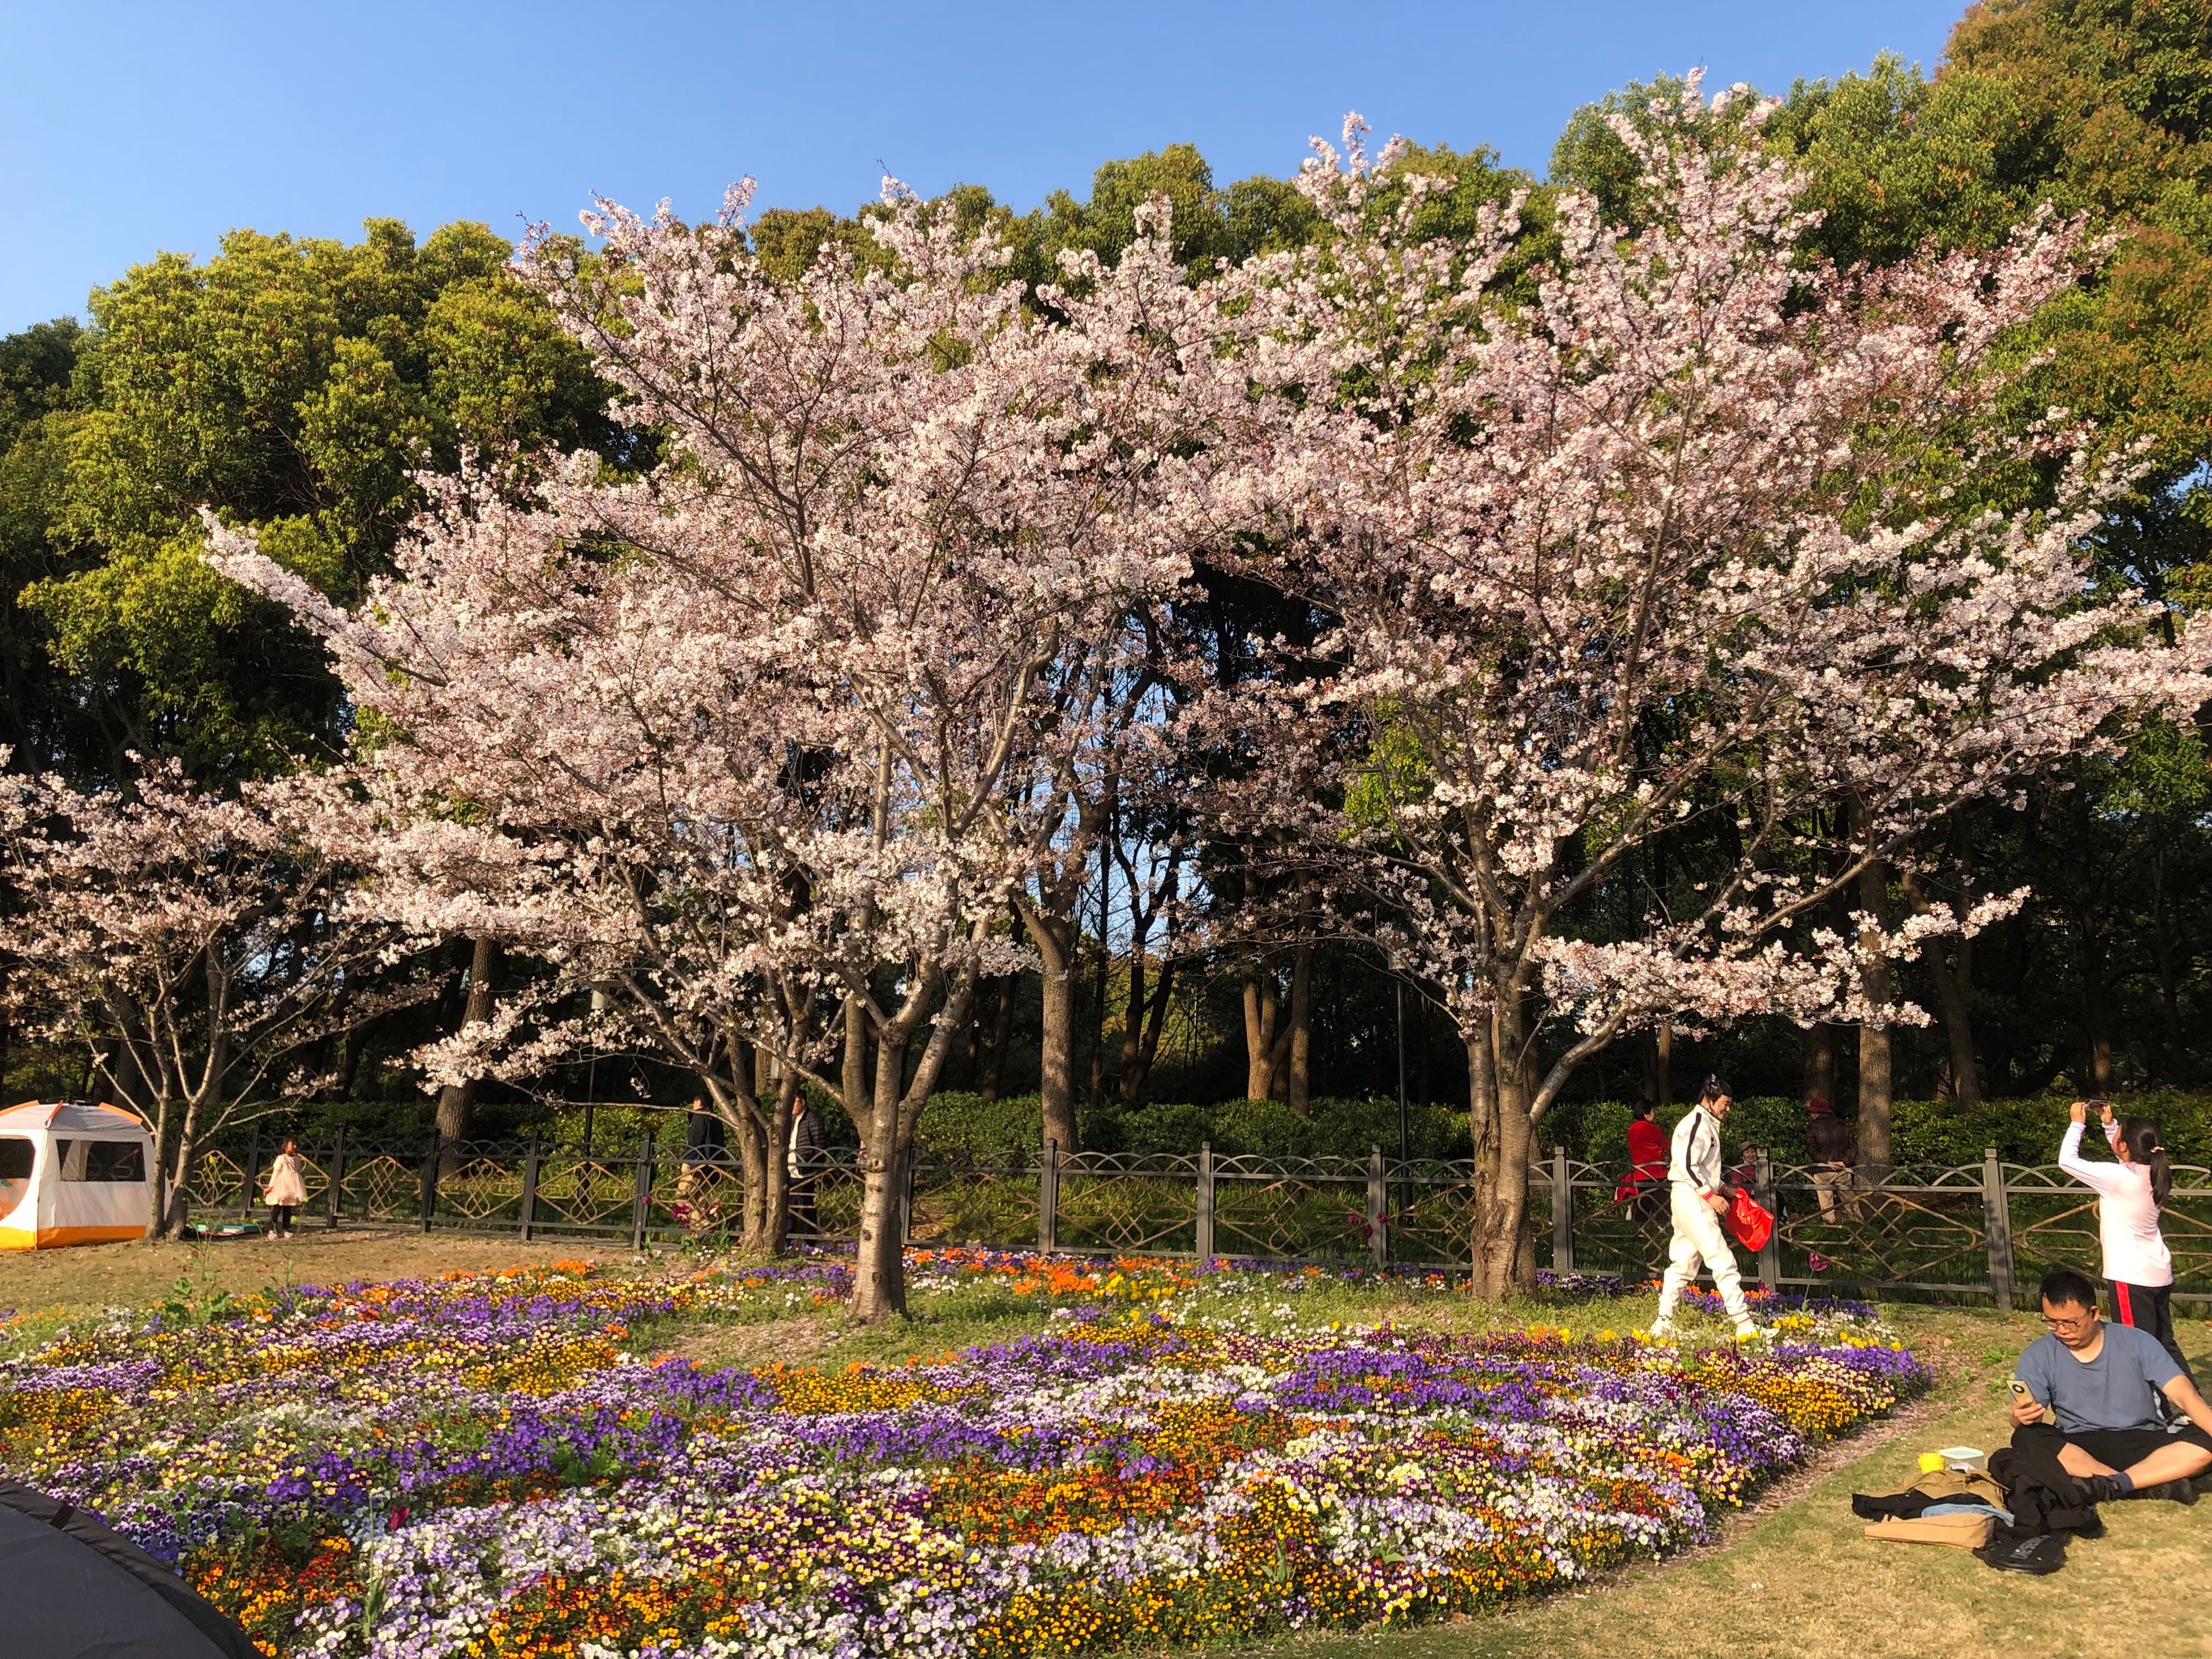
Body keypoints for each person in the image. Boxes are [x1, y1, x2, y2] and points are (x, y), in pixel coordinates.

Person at [2011, 1267, 2212, 1503]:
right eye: (2052, 1323)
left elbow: (2185, 1396)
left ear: (2094, 1313)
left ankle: (2110, 1484)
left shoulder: (2138, 1341)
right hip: (2079, 1445)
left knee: (2204, 1440)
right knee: (2026, 1438)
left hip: (2143, 1440)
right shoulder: (2039, 1354)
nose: (2062, 1331)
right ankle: (2135, 1482)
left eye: (2070, 1323)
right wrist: (2020, 1418)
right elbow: (2022, 1420)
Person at [2058, 1099, 2193, 1381]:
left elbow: (2067, 1161)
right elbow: (2125, 1155)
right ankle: (2193, 1410)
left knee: (2135, 1349)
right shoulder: (2151, 1174)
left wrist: (2077, 1123)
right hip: (2157, 1273)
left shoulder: (2118, 1177)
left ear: (2125, 1147)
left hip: (2130, 1279)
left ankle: (2154, 1412)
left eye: (2120, 1137)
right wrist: (2109, 1124)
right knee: (2164, 1344)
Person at [1652, 1075, 1758, 1341]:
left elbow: (1697, 1167)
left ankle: (1663, 1321)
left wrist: (1724, 1189)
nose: (1728, 1108)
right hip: (1693, 1198)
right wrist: (1711, 1195)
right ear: (1709, 1100)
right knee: (1721, 1258)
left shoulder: (1702, 1122)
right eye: (1725, 1103)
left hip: (1687, 1195)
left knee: (1683, 1262)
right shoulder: (1698, 1123)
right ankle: (1744, 1324)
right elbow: (1688, 1165)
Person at [1614, 1099, 1668, 1220]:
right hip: (1657, 1172)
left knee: (1643, 1204)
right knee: (1662, 1205)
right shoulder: (1652, 1128)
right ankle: (1662, 1230)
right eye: (1653, 1111)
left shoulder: (1631, 1129)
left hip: (1641, 1172)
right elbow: (1667, 1145)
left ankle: (1638, 1231)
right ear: (1646, 1113)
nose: (1654, 1114)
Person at [1805, 1096, 1855, 1222]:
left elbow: (1812, 1150)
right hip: (1843, 1169)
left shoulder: (1813, 1127)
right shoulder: (1842, 1124)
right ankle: (1859, 1228)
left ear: (1816, 1113)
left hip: (1823, 1169)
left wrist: (1828, 1162)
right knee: (1851, 1203)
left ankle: (1830, 1229)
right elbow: (1853, 1146)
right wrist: (1844, 1161)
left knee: (1826, 1204)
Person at [787, 1094, 826, 1238]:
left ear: (803, 1102)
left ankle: (810, 1237)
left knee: (806, 1204)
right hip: (789, 1169)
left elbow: (819, 1145)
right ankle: (789, 1236)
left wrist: (812, 1163)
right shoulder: (791, 1120)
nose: (792, 1106)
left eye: (795, 1102)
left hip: (805, 1170)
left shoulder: (812, 1119)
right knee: (790, 1205)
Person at [262, 1139, 305, 1239]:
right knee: (277, 1208)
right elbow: (276, 1172)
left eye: (295, 1144)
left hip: (292, 1186)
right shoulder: (281, 1158)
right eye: (292, 1144)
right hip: (281, 1186)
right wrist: (270, 1186)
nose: (294, 1146)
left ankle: (285, 1229)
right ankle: (271, 1229)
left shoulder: (297, 1159)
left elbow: (297, 1171)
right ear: (285, 1147)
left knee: (288, 1208)